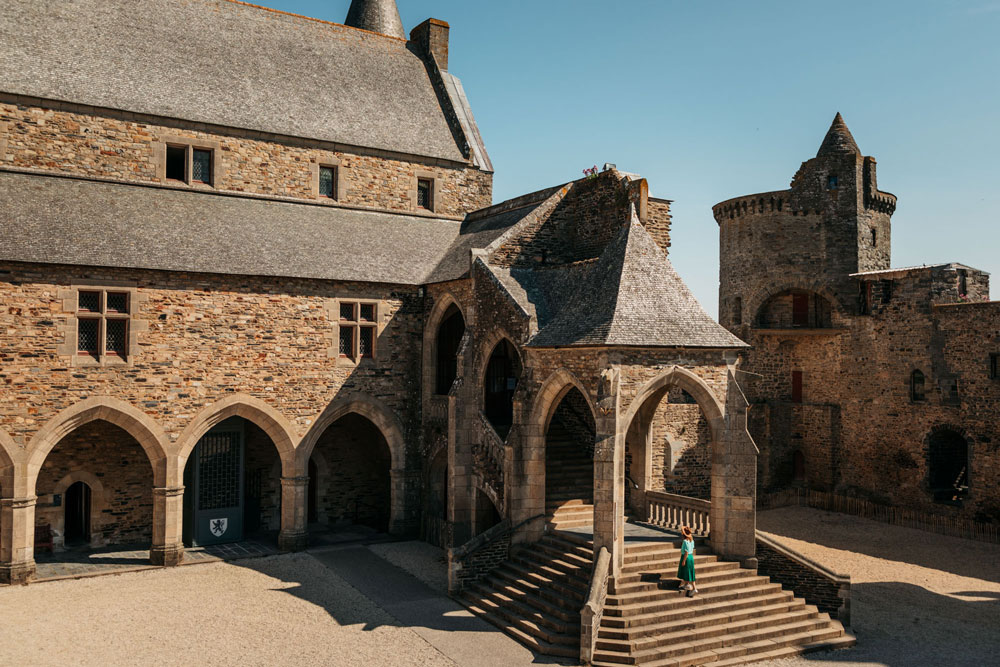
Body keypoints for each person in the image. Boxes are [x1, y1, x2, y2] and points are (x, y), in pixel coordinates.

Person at [677, 525, 698, 597]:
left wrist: (684, 560)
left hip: (686, 557)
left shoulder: (685, 541)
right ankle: (686, 584)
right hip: (691, 556)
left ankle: (693, 587)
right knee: (690, 571)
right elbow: (691, 549)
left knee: (687, 571)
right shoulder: (692, 540)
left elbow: (686, 552)